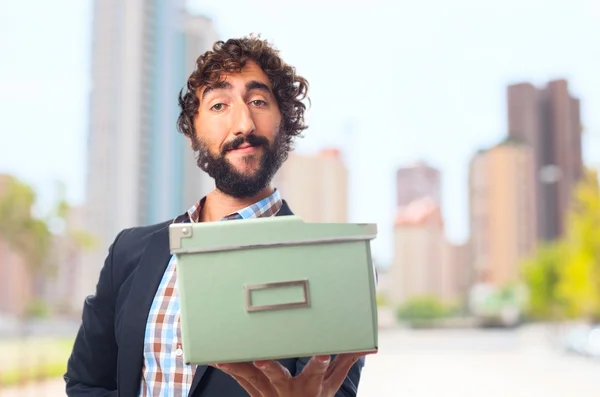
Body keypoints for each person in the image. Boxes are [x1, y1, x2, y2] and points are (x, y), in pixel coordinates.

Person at [64, 36, 369, 397]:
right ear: (192, 132)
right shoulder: (128, 251)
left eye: (258, 101)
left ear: (284, 124)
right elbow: (86, 385)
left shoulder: (332, 266)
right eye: (219, 105)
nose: (243, 123)